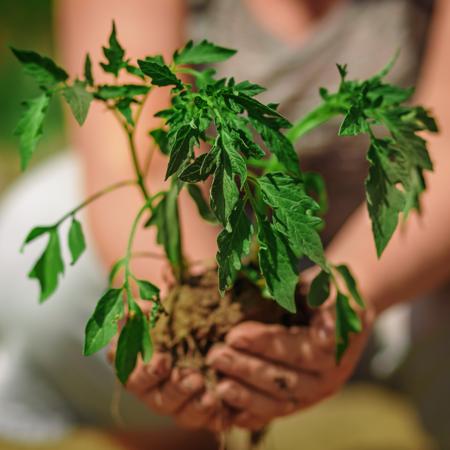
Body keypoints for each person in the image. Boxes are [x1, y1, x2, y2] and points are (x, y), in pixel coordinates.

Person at [0, 0, 448, 448]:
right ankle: (186, 421)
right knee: (33, 232)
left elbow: (441, 163)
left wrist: (346, 294)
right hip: (218, 248)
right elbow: (139, 161)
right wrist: (197, 319)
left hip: (411, 274)